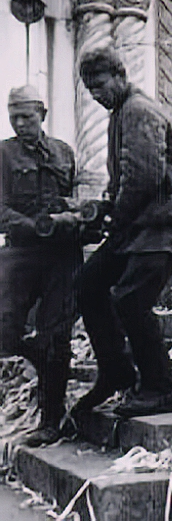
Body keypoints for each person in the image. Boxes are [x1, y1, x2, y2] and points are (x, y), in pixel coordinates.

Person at [74, 47, 172, 418]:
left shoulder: (138, 110)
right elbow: (124, 176)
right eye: (90, 90)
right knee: (88, 282)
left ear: (120, 76)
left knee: (131, 301)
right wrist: (106, 205)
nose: (96, 95)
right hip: (140, 225)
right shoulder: (121, 112)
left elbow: (144, 177)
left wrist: (115, 217)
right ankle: (115, 372)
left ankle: (159, 388)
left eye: (100, 85)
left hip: (163, 225)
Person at [0, 86, 81, 446]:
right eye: (13, 117)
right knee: (5, 329)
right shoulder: (3, 154)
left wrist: (73, 213)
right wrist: (34, 227)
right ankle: (41, 357)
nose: (20, 123)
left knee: (57, 338)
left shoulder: (64, 152)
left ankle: (51, 421)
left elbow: (78, 197)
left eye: (26, 116)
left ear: (42, 115)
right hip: (21, 254)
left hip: (63, 257)